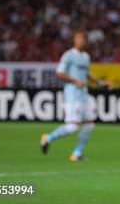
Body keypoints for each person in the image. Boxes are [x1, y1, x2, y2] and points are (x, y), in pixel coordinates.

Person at [40, 30, 111, 161]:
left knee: (90, 124)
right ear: (74, 40)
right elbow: (59, 73)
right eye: (78, 39)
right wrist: (74, 80)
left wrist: (100, 82)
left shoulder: (86, 56)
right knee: (73, 126)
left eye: (82, 39)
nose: (80, 41)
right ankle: (48, 138)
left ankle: (76, 153)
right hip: (72, 95)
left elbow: (87, 75)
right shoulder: (68, 55)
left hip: (84, 95)